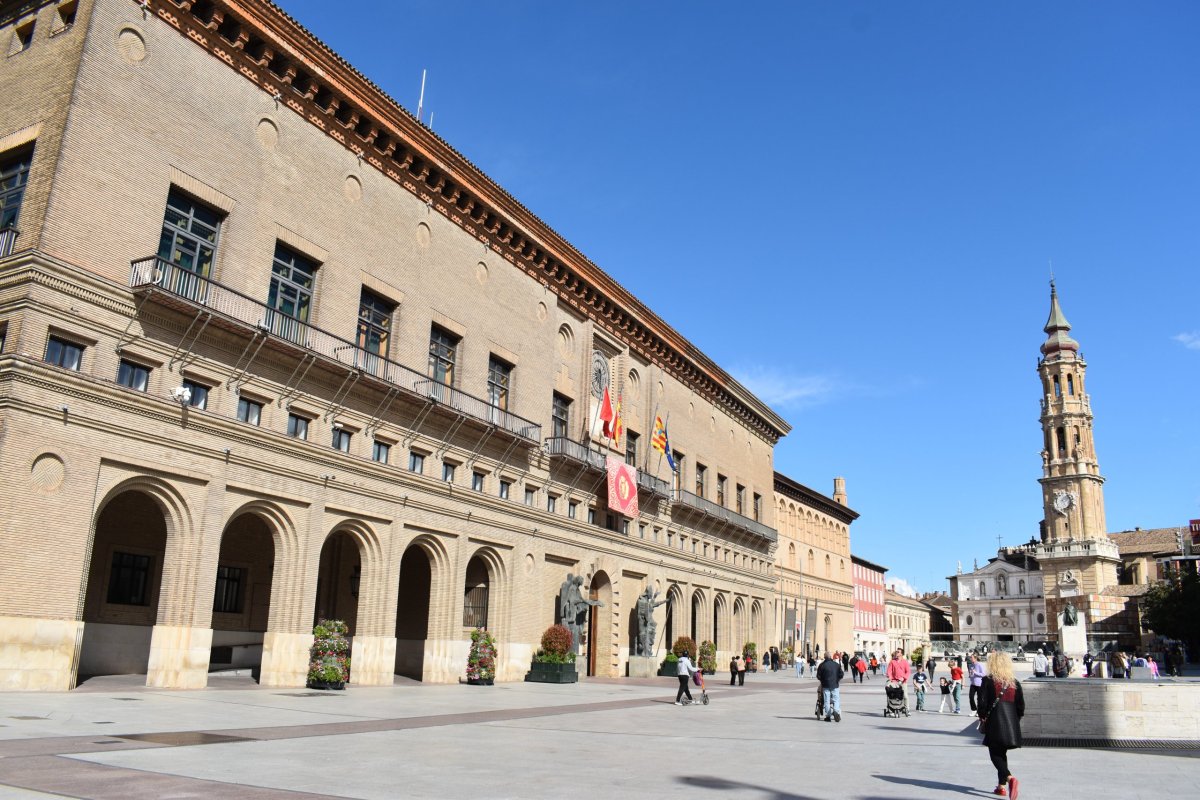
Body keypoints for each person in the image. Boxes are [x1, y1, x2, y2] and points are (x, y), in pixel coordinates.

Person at [977, 651, 1025, 798]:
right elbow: (1021, 707)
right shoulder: (1014, 682)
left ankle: (1010, 778)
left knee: (995, 754)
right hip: (1011, 724)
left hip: (995, 722)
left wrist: (982, 717)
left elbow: (982, 704)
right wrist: (1014, 720)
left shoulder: (988, 681)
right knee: (1001, 753)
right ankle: (1001, 787)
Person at [816, 651, 844, 722]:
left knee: (826, 701)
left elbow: (818, 676)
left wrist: (822, 680)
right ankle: (836, 711)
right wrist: (837, 680)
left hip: (825, 685)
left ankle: (828, 716)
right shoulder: (836, 665)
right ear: (831, 657)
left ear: (824, 657)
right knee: (836, 699)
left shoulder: (822, 665)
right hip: (835, 685)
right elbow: (841, 674)